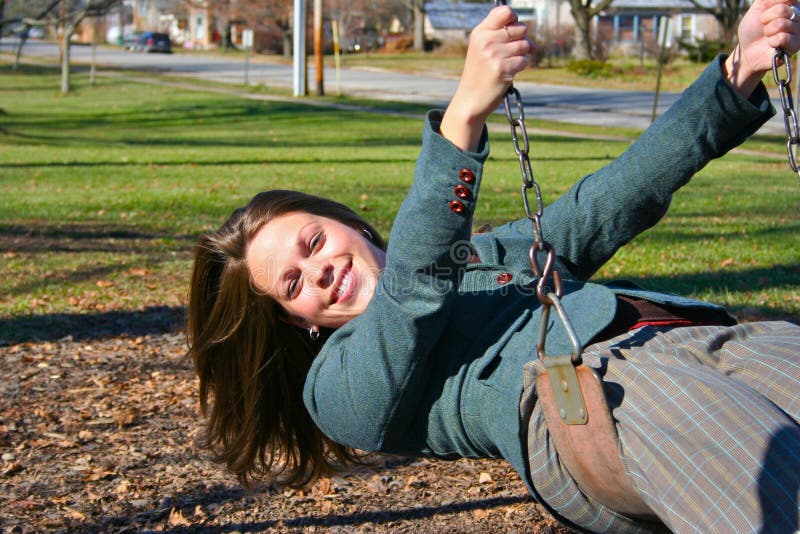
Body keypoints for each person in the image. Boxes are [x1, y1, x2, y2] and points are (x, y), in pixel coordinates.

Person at [188, 1, 800, 532]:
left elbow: (614, 197)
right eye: (293, 283)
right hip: (603, 400)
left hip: (702, 339)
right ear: (297, 321)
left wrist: (737, 72)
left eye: (313, 242)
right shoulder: (337, 389)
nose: (317, 271)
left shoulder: (487, 257)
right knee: (775, 488)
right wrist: (461, 120)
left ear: (346, 222)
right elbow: (409, 296)